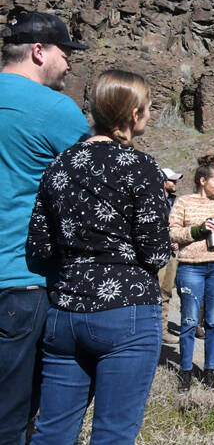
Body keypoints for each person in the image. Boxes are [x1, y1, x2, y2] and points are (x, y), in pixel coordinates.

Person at [27, 70, 171, 444]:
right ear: (133, 113)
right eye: (148, 107)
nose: (150, 114)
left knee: (52, 432)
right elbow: (155, 252)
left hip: (65, 314)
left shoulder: (59, 165)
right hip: (127, 314)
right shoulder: (142, 167)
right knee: (113, 434)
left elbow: (39, 249)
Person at [0, 11, 90, 444]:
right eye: (64, 52)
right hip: (21, 282)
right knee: (12, 417)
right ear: (39, 52)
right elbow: (94, 194)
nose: (70, 64)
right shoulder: (55, 110)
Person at [169, 154, 214, 391]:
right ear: (202, 180)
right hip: (190, 267)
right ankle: (186, 371)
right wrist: (197, 231)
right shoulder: (183, 202)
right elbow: (172, 232)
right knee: (189, 321)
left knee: (213, 321)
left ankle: (210, 371)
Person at [158, 167, 183, 344]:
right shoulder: (152, 201)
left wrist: (177, 240)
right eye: (172, 180)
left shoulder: (175, 202)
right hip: (157, 253)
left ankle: (162, 330)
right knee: (155, 291)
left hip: (172, 253)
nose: (175, 183)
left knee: (166, 291)